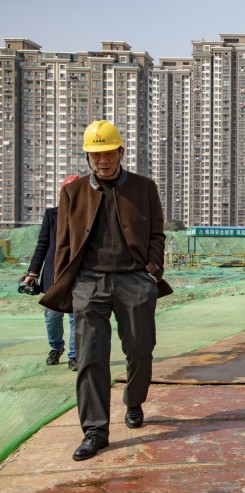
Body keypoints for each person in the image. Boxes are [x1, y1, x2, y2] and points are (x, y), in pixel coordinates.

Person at [40, 120, 173, 461]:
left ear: (121, 152)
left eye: (109, 153)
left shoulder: (144, 188)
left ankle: (134, 401)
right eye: (96, 154)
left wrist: (152, 271)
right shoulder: (72, 192)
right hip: (89, 283)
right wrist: (67, 284)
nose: (103, 160)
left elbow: (157, 234)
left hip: (134, 280)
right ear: (88, 157)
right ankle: (95, 431)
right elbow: (63, 244)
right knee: (90, 357)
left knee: (140, 350)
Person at [23, 174, 79, 370]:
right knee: (52, 315)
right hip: (54, 274)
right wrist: (33, 272)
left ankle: (74, 355)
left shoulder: (88, 215)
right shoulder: (51, 215)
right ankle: (56, 347)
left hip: (78, 273)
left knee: (76, 316)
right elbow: (43, 244)